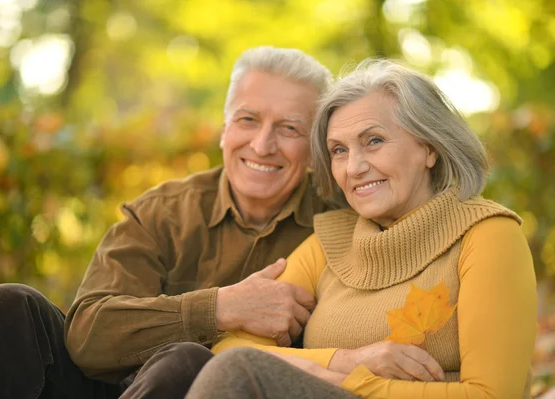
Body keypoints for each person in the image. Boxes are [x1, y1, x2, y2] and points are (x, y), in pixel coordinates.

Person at [0, 46, 339, 399]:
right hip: (115, 388)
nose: (262, 144)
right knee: (6, 305)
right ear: (225, 130)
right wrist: (220, 308)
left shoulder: (338, 221)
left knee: (186, 361)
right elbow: (88, 336)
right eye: (247, 120)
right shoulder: (163, 212)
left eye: (289, 128)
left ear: (315, 147)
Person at [185, 59, 537, 399]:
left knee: (239, 371)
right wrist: (343, 361)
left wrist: (348, 381)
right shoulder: (331, 242)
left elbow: (492, 394)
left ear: (429, 148)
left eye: (374, 141)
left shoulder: (488, 236)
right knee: (181, 362)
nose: (354, 167)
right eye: (339, 150)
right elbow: (230, 345)